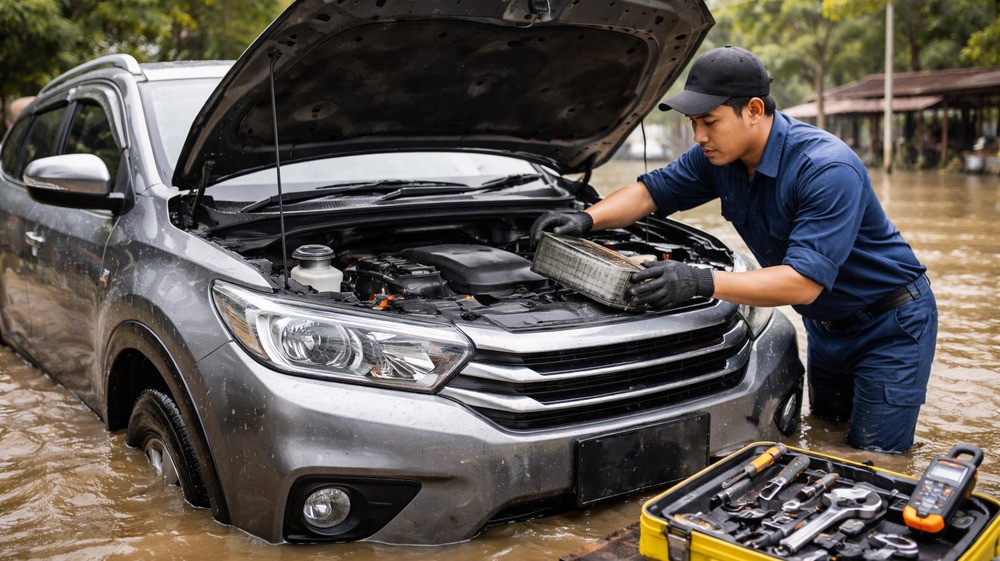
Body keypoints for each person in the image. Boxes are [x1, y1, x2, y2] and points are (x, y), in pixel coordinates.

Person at [530, 45, 937, 454]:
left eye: (710, 121)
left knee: (875, 457)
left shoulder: (826, 169)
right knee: (826, 438)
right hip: (826, 327)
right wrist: (586, 219)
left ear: (755, 110)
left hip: (889, 325)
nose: (699, 136)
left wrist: (699, 281)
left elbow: (802, 284)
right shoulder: (717, 159)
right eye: (694, 122)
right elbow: (650, 192)